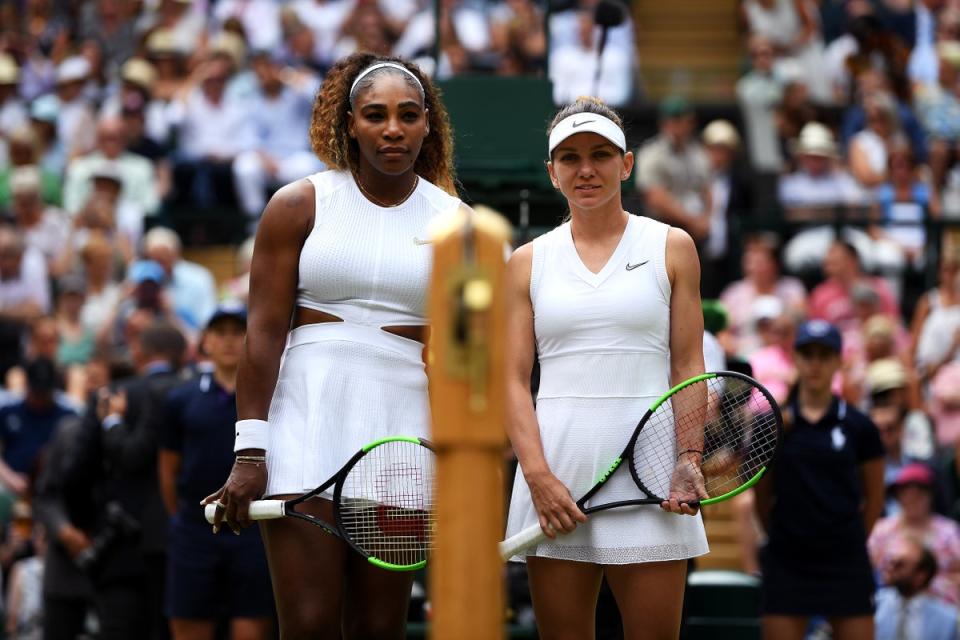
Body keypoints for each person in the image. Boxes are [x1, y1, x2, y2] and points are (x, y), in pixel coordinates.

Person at [204, 53, 460, 638]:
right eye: (375, 115)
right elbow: (263, 336)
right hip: (306, 416)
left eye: (407, 115)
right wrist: (250, 451)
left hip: (403, 429)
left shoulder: (459, 223)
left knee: (380, 627)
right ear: (348, 123)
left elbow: (464, 354)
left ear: (427, 125)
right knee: (311, 623)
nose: (392, 129)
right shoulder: (297, 204)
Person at [503, 96, 708, 639]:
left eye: (600, 154)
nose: (586, 169)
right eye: (569, 158)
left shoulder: (673, 246)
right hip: (555, 474)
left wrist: (689, 457)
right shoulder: (526, 261)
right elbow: (511, 380)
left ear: (627, 164)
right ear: (552, 173)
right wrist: (539, 478)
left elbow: (689, 364)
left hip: (653, 475)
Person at [755, 319, 885, 640]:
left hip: (845, 560)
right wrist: (784, 536)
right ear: (795, 359)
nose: (815, 364)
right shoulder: (772, 423)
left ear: (839, 361)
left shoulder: (860, 426)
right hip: (788, 559)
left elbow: (875, 498)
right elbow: (761, 495)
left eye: (824, 355)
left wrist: (850, 538)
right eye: (807, 354)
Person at [159, 304, 273, 640]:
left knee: (252, 625)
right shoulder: (181, 399)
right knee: (189, 624)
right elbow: (167, 469)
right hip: (195, 531)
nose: (229, 341)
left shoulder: (271, 397)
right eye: (220, 333)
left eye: (238, 332)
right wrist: (183, 519)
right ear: (205, 342)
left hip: (254, 527)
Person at [869, 463, 960, 605]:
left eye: (919, 494)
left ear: (930, 495)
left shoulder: (948, 531)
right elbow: (868, 571)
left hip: (940, 606)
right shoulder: (881, 530)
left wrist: (937, 583)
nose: (912, 498)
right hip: (890, 605)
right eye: (906, 493)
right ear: (898, 496)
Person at [874, 535, 960, 640]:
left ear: (920, 576)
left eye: (899, 564)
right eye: (889, 561)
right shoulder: (874, 606)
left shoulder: (947, 619)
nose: (890, 569)